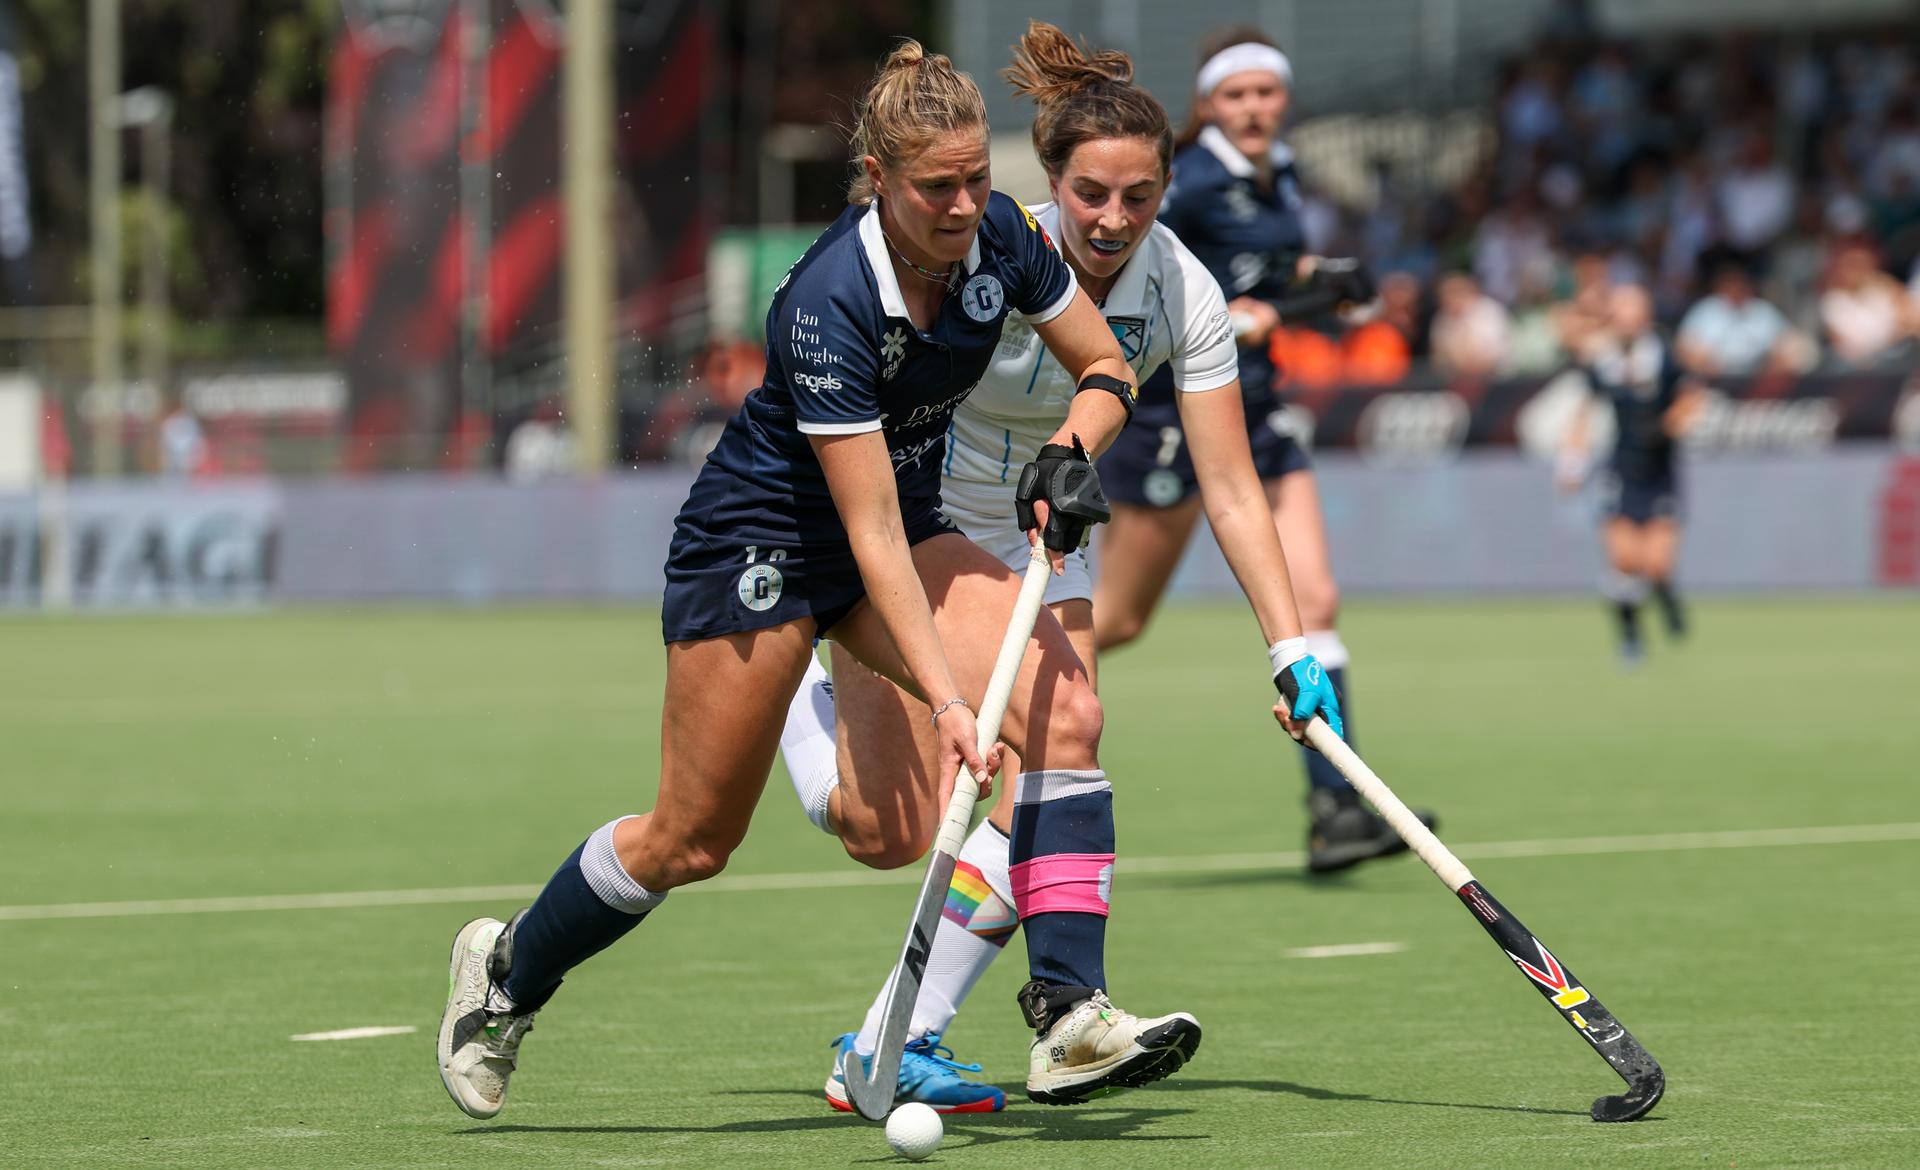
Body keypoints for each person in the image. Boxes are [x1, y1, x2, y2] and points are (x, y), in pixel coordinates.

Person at [436, 40, 1226, 1121]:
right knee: (692, 839)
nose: (962, 207)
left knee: (1067, 715)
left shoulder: (1000, 236)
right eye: (934, 188)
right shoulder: (827, 303)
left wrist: (1070, 452)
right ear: (878, 180)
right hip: (763, 546)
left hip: (900, 531)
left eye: (975, 181)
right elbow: (864, 534)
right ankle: (507, 972)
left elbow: (1107, 367)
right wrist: (947, 703)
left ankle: (1069, 1014)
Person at [779, 20, 1347, 1115]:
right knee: (882, 827)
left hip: (1049, 531)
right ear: (1049, 183)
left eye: (1138, 197)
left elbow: (1232, 488)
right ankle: (808, 707)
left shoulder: (1186, 294)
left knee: (1057, 751)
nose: (1112, 220)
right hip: (926, 517)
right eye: (1090, 193)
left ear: (1168, 189)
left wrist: (1290, 646)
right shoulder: (989, 255)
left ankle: (962, 1032)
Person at [1093, 27, 1433, 874]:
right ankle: (946, 678)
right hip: (1174, 416)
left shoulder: (1275, 173)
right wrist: (1238, 317)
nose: (1253, 109)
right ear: (1211, 103)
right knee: (1116, 620)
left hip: (1259, 408)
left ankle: (1335, 810)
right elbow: (1133, 277)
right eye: (1236, 96)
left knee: (1316, 596)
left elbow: (1261, 268)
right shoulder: (1191, 179)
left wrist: (1320, 281)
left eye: (1266, 94)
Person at [1557, 283, 1705, 662]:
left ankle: (1667, 599)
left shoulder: (1664, 358)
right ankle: (1630, 637)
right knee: (1624, 561)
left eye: (1632, 311)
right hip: (1621, 468)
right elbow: (1584, 413)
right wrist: (1572, 464)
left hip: (1659, 470)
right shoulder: (1603, 363)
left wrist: (1667, 425)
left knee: (1656, 564)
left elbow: (1693, 399)